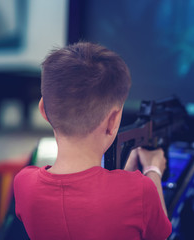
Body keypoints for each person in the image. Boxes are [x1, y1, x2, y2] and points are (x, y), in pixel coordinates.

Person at [13, 41, 172, 240]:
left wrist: (125, 173)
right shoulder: (141, 191)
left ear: (44, 110)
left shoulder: (24, 184)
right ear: (113, 120)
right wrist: (153, 171)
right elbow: (160, 235)